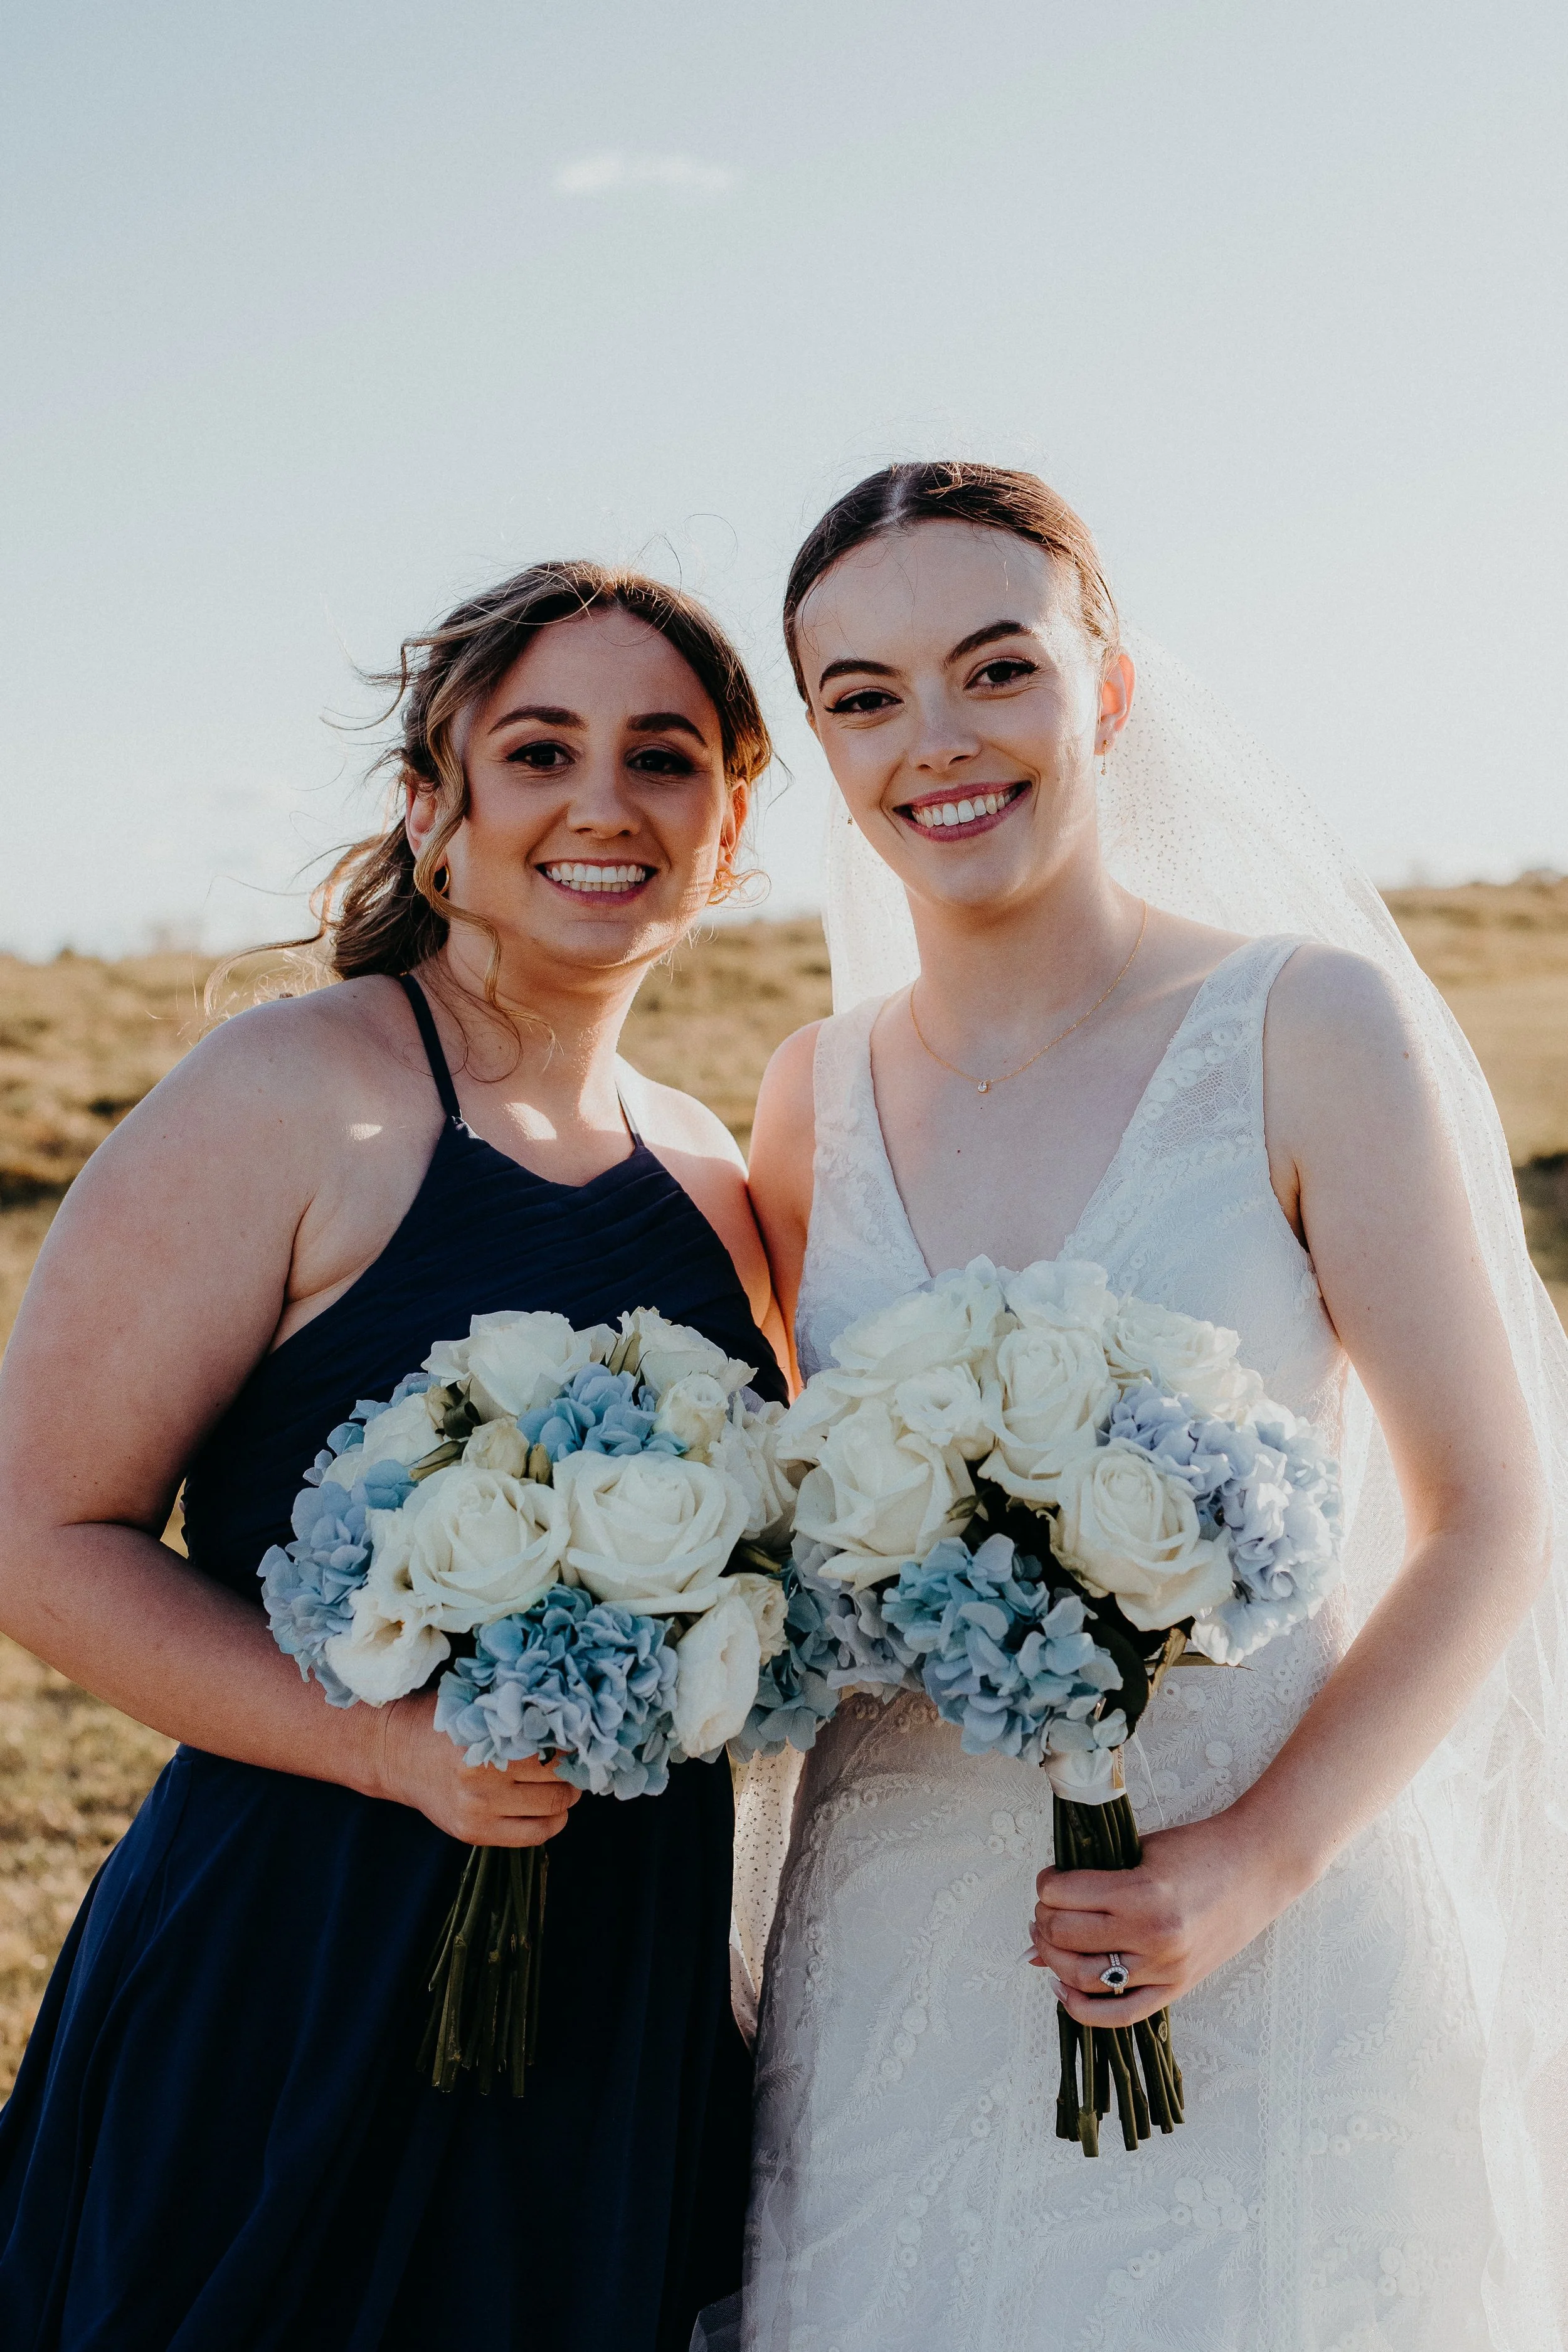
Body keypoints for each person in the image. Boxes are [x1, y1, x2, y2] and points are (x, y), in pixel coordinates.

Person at [736, 463, 1567, 2350]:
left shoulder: (1302, 1031)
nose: (937, 742)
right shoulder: (808, 1094)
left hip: (1269, 1925)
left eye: (996, 668)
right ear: (826, 751)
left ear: (1103, 692)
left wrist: (1252, 1862)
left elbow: (1493, 1513)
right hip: (902, 1949)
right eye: (864, 698)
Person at [0, 560, 788, 2352]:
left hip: (620, 1980)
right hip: (308, 1947)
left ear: (729, 834)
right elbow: (43, 1536)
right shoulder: (287, 1096)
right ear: (434, 813)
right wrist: (393, 1749)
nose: (603, 803)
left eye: (663, 758)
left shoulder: (712, 1167)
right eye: (539, 751)